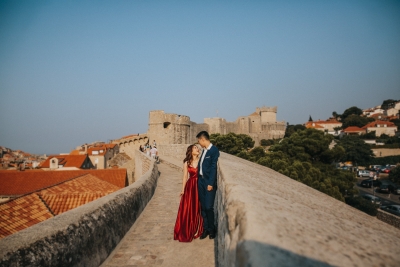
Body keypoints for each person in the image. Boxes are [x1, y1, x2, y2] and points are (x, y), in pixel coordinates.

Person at [174, 144, 203, 242]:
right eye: (195, 148)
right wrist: (182, 190)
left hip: (199, 185)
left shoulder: (201, 160)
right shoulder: (186, 162)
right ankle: (190, 228)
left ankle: (198, 228)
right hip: (190, 187)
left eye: (198, 148)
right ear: (191, 151)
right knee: (190, 207)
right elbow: (185, 177)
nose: (198, 149)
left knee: (199, 207)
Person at [196, 131, 219, 239]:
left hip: (208, 182)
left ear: (203, 139)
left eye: (199, 141)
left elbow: (214, 167)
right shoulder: (204, 151)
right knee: (203, 207)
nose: (199, 143)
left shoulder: (214, 151)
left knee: (209, 207)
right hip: (200, 181)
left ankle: (212, 229)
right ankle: (205, 229)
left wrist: (211, 183)